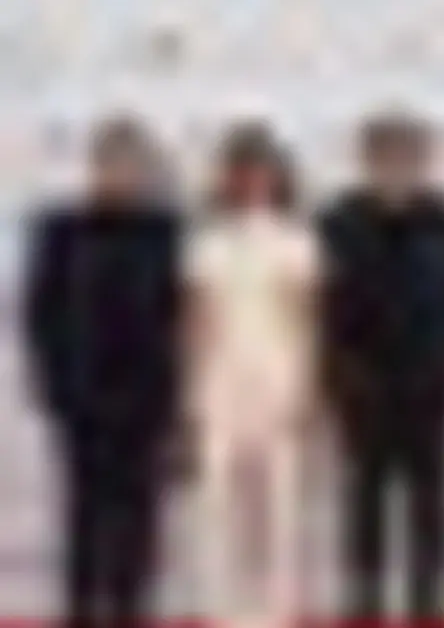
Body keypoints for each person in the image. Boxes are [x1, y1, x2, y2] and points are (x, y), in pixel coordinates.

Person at [319, 112, 444, 619]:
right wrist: (338, 373)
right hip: (362, 381)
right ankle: (364, 600)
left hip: (429, 381)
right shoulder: (337, 223)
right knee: (363, 499)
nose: (395, 169)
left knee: (430, 499)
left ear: (424, 161)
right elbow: (324, 307)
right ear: (366, 162)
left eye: (406, 157)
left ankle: (427, 601)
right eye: (384, 157)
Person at [23, 117, 183, 628]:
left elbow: (180, 317)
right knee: (84, 513)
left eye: (131, 165)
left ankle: (131, 609)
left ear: (146, 170)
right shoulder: (61, 230)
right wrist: (54, 386)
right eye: (111, 164)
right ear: (93, 167)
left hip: (147, 398)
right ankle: (82, 609)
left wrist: (173, 396)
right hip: (82, 396)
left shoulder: (166, 232)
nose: (121, 175)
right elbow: (40, 313)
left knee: (140, 517)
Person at [185, 123, 316, 627]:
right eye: (243, 172)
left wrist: (306, 385)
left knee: (279, 495)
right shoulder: (208, 240)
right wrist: (192, 387)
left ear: (278, 176)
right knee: (218, 495)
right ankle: (221, 606)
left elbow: (304, 317)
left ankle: (277, 607)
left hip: (278, 370)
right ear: (227, 177)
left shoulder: (295, 239)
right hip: (221, 374)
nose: (253, 182)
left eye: (262, 171)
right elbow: (198, 318)